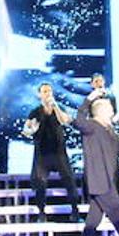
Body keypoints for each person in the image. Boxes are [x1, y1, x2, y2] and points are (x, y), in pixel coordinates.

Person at [72, 89, 119, 236]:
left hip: (109, 180)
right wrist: (89, 99)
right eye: (109, 107)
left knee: (93, 220)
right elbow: (78, 120)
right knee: (117, 211)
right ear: (100, 110)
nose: (112, 110)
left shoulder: (109, 130)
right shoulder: (92, 126)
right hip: (99, 180)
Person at [22, 83, 81, 221]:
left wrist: (56, 107)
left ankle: (75, 212)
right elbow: (26, 130)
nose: (48, 93)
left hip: (59, 152)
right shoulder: (35, 112)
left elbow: (65, 121)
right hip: (42, 153)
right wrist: (32, 131)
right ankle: (41, 213)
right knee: (40, 183)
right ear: (39, 94)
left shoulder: (58, 108)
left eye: (49, 91)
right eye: (45, 91)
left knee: (69, 181)